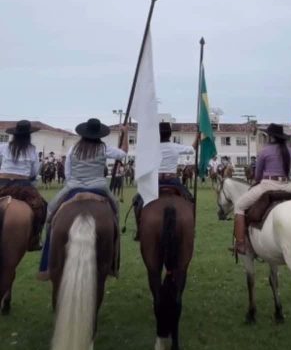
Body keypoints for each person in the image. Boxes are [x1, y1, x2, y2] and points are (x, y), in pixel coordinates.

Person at [38, 118, 128, 281]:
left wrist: (74, 181)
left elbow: (67, 172)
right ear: (99, 134)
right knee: (115, 210)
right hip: (100, 186)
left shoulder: (74, 148)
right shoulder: (104, 147)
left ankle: (46, 252)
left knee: (50, 211)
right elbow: (123, 154)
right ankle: (113, 261)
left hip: (73, 185)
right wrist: (126, 133)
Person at [231, 124, 291, 254]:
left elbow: (258, 176)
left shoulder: (264, 151)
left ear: (270, 137)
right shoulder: (290, 150)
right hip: (288, 187)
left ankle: (240, 244)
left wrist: (257, 182)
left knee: (239, 206)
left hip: (268, 185)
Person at [131, 122, 196, 240]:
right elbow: (192, 149)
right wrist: (198, 138)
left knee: (137, 201)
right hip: (173, 180)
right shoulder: (175, 146)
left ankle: (139, 230)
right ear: (170, 134)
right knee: (191, 200)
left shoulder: (151, 147)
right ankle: (191, 229)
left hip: (155, 182)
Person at [0, 120, 46, 250]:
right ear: (28, 135)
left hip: (1, 183)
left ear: (14, 134)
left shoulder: (4, 147)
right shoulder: (32, 150)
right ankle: (35, 239)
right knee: (41, 206)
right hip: (22, 185)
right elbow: (34, 172)